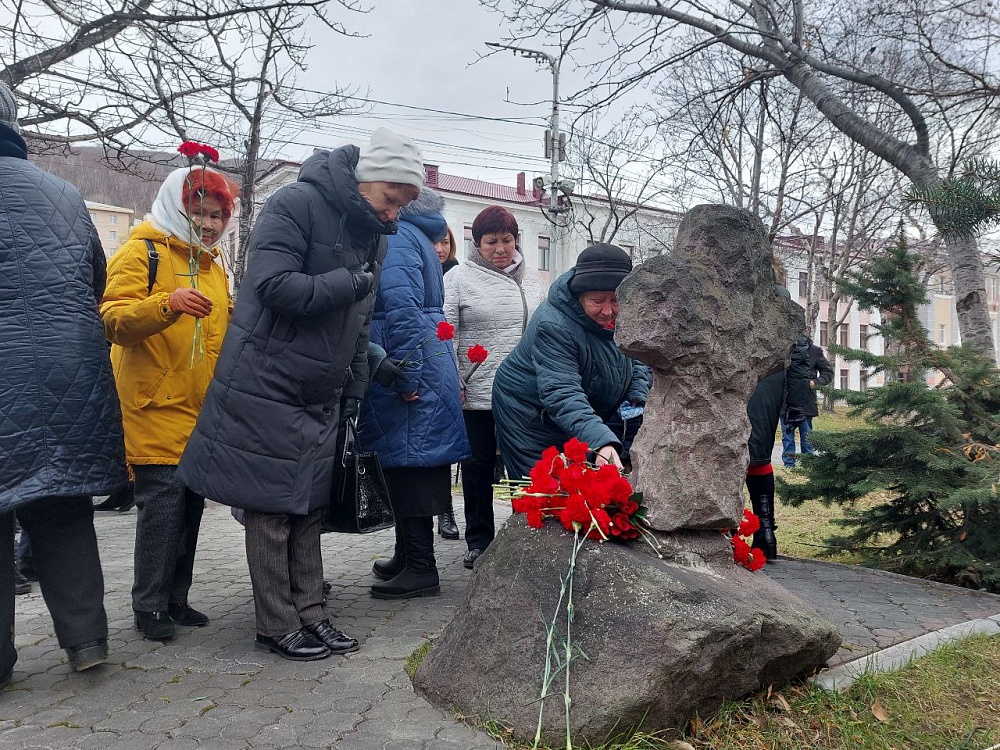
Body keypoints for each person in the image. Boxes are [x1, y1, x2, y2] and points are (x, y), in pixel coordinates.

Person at [178, 127, 425, 660]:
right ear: (366, 180)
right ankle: (275, 621)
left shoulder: (373, 232)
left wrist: (355, 388)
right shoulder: (294, 202)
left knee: (310, 505)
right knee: (271, 510)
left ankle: (311, 612)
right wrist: (348, 283)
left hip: (325, 388)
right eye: (389, 201)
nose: (393, 216)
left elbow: (360, 324)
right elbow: (270, 286)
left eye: (401, 207)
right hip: (267, 379)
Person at [0, 81, 128, 680]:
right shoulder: (64, 192)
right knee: (62, 504)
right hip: (68, 370)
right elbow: (92, 278)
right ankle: (87, 643)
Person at [101, 165, 238, 641]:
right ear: (178, 208)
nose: (209, 224)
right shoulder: (142, 251)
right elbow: (113, 319)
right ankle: (149, 606)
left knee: (191, 505)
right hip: (154, 403)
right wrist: (167, 304)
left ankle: (176, 598)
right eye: (199, 213)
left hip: (203, 407)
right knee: (161, 507)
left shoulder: (215, 264)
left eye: (219, 215)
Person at [359, 187, 470, 599]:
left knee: (412, 466)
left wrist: (405, 375)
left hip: (407, 355)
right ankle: (406, 556)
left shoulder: (398, 236)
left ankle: (422, 567)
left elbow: (400, 306)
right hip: (420, 350)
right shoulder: (415, 234)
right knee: (404, 461)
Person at [492, 243, 650, 481]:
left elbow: (639, 358)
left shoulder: (628, 313)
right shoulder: (554, 325)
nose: (608, 311)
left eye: (615, 300)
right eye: (597, 301)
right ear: (579, 296)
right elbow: (561, 391)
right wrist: (601, 440)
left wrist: (634, 400)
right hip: (531, 417)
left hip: (583, 414)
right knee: (547, 497)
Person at [443, 205, 542, 568]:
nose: (500, 249)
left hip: (523, 392)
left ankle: (525, 534)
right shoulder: (458, 278)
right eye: (491, 242)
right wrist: (454, 380)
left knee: (523, 465)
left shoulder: (531, 279)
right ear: (476, 243)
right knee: (478, 467)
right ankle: (479, 541)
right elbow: (446, 335)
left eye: (507, 240)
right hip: (477, 387)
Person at [434, 225, 461, 541]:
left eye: (445, 242)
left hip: (451, 366)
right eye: (435, 242)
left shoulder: (456, 273)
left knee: (447, 446)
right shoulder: (410, 267)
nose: (440, 248)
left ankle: (446, 512)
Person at [781, 330, 834, 468]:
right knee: (787, 437)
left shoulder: (815, 351)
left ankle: (809, 465)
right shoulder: (783, 348)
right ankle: (789, 465)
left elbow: (827, 372)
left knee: (807, 436)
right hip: (785, 401)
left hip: (806, 401)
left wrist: (815, 382)